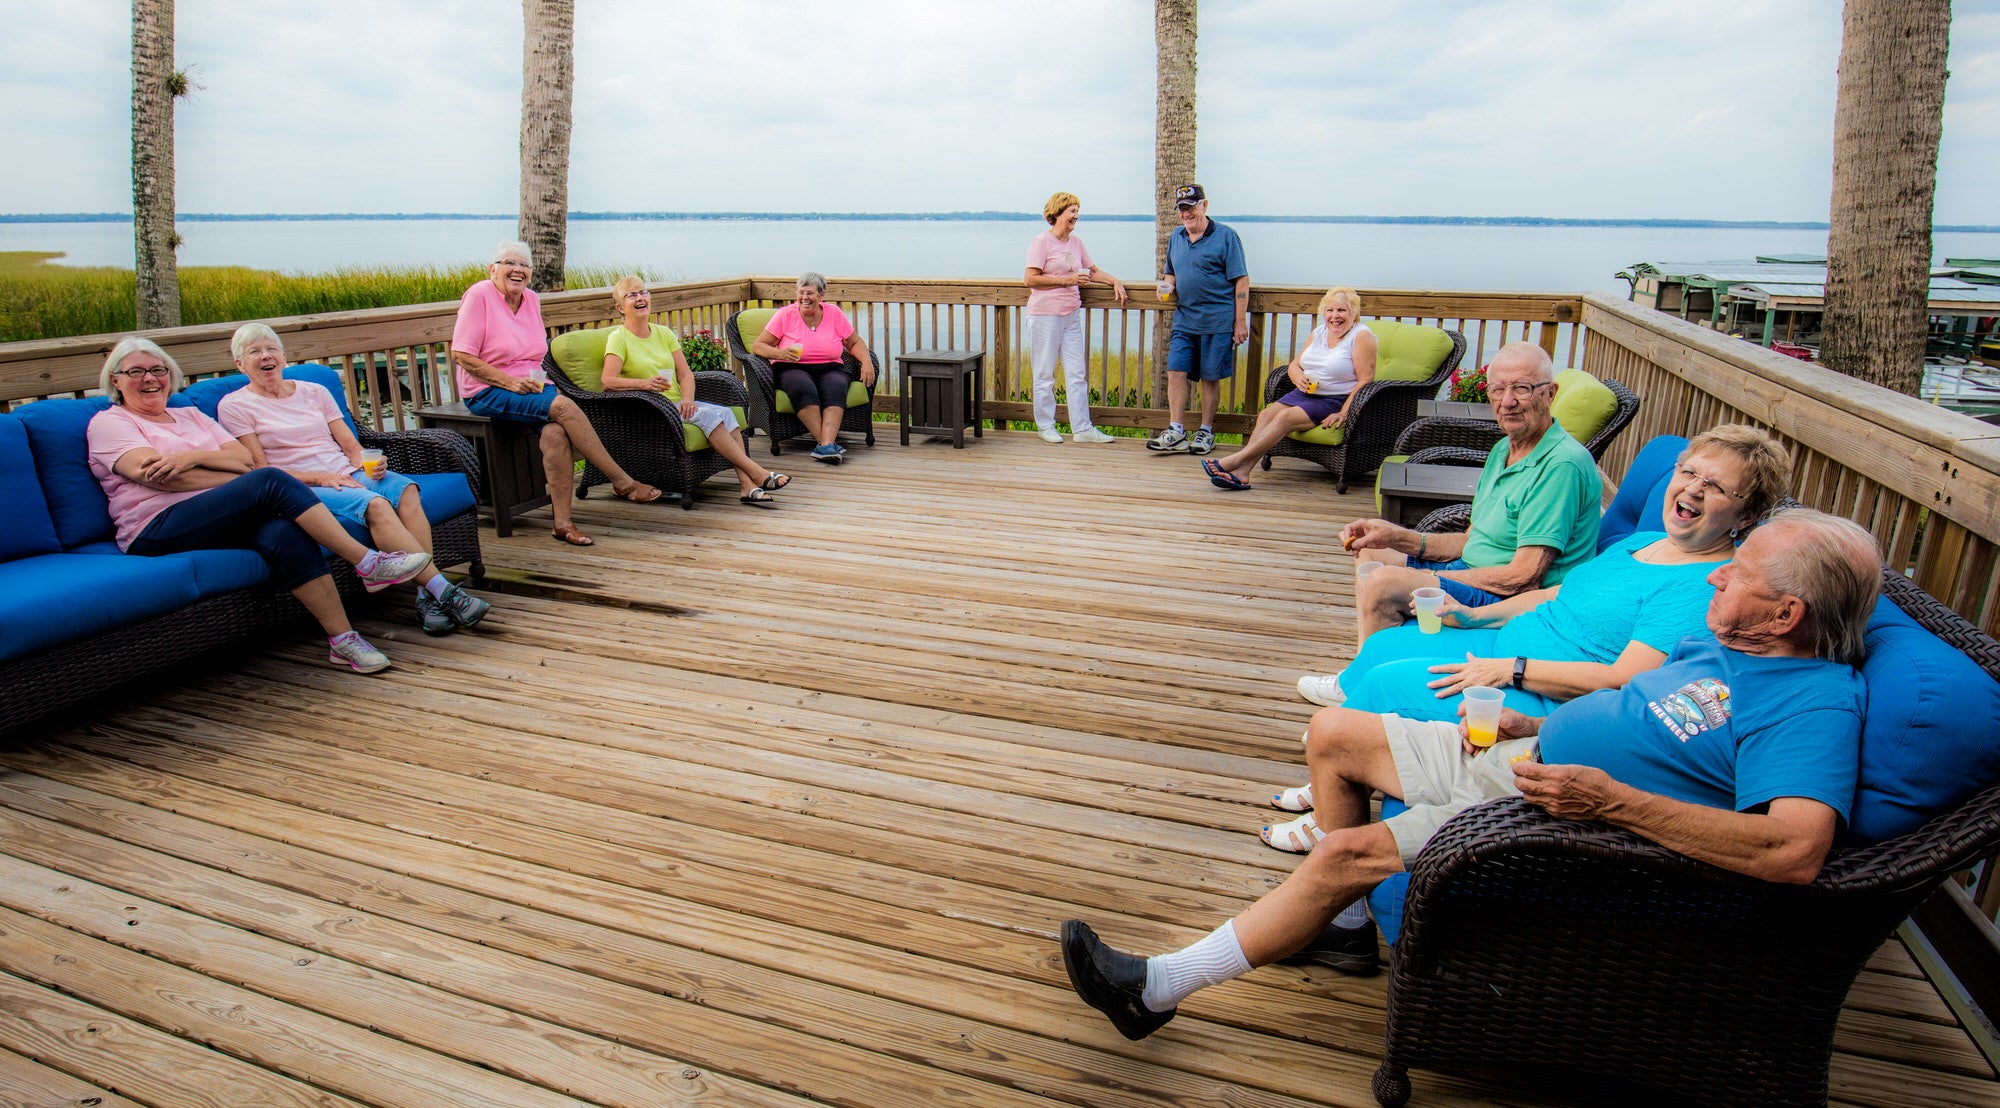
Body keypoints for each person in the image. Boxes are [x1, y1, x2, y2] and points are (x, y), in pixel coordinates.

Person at [1060, 509, 1880, 1039]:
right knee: (1333, 732)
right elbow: (1642, 720)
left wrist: (1611, 800)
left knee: (1343, 855)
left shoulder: (1811, 704)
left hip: (1568, 817)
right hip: (1527, 754)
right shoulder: (1721, 642)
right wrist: (1539, 722)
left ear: (1787, 614)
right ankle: (1343, 933)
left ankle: (1159, 989)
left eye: (1738, 575)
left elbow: (1792, 851)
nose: (1715, 573)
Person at [1269, 425, 1793, 850]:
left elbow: (1627, 678)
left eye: (1717, 487)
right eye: (1689, 472)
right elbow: (1557, 596)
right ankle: (1333, 787)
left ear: (1745, 515)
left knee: (1384, 684)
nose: (1693, 489)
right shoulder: (1646, 541)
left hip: (1544, 689)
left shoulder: (1698, 585)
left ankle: (1332, 814)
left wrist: (1512, 669)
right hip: (1510, 646)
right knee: (1385, 646)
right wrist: (1477, 618)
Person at [86, 337, 435, 674]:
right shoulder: (111, 423)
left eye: (157, 370)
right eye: (135, 372)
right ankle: (366, 562)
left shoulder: (190, 415)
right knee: (270, 479)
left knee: (284, 530)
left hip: (216, 513)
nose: (149, 379)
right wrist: (235, 478)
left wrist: (192, 457)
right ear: (115, 380)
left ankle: (343, 640)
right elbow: (160, 477)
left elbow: (241, 460)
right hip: (156, 525)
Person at [217, 324, 491, 635]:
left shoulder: (314, 392)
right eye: (255, 352)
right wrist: (321, 476)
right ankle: (444, 591)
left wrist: (370, 464)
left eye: (271, 349)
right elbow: (261, 471)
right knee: (374, 504)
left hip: (347, 472)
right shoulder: (235, 406)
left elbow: (351, 447)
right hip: (302, 487)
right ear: (240, 364)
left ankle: (424, 597)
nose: (265, 356)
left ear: (283, 356)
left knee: (407, 490)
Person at [1339, 341, 1600, 641]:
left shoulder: (1560, 466)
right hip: (1473, 571)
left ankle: (1356, 682)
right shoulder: (1504, 449)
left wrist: (1430, 578)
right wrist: (1396, 537)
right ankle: (1372, 663)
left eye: (1522, 388)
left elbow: (1524, 578)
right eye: (1498, 389)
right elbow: (1470, 540)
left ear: (1550, 393)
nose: (1508, 401)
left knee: (1383, 583)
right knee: (1371, 543)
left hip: (1512, 602)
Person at [450, 240, 663, 548]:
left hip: (531, 388)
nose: (518, 270)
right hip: (487, 390)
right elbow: (462, 355)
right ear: (493, 269)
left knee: (556, 435)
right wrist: (510, 383)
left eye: (525, 265)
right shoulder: (479, 296)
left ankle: (562, 524)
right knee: (565, 407)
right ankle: (622, 481)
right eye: (511, 263)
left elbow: (534, 354)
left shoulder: (531, 300)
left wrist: (533, 383)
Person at [599, 277, 791, 506]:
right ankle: (757, 472)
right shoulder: (618, 338)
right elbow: (607, 381)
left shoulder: (663, 333)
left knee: (727, 415)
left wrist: (688, 399)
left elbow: (685, 374)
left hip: (676, 404)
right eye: (631, 295)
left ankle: (747, 486)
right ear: (620, 307)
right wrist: (645, 384)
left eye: (643, 292)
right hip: (650, 409)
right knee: (711, 417)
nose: (640, 298)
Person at [1201, 287, 1374, 490]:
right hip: (1305, 393)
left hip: (1335, 398)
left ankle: (1232, 462)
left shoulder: (1361, 336)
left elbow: (1366, 379)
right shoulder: (1319, 332)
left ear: (1354, 313)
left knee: (1284, 418)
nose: (1335, 316)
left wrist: (1344, 412)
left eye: (1342, 310)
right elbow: (1294, 365)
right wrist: (1297, 376)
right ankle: (1242, 473)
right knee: (1266, 414)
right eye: (1330, 310)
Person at [1147, 184, 1248, 457]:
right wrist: (1165, 286)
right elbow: (1171, 273)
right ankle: (1176, 431)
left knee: (1209, 377)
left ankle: (1206, 431)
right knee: (1176, 371)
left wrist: (1240, 322)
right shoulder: (1176, 238)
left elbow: (1241, 279)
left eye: (1191, 206)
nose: (1186, 213)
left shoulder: (1226, 237)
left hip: (1217, 320)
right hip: (1184, 319)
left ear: (1204, 205)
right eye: (1182, 208)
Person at [1023, 191, 1127, 444]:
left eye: (1077, 210)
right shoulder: (1042, 242)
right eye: (1072, 210)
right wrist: (1068, 280)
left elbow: (1093, 271)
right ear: (1057, 212)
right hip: (1045, 316)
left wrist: (1115, 281)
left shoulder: (1076, 242)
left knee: (1077, 374)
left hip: (1071, 315)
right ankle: (1045, 425)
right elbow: (1030, 279)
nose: (1076, 215)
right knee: (1044, 373)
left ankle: (1082, 429)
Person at [750, 272, 878, 465]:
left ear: (821, 295)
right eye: (801, 293)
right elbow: (758, 346)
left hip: (830, 367)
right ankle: (827, 445)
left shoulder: (834, 313)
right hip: (792, 367)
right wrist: (780, 354)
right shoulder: (785, 314)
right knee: (802, 387)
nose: (804, 298)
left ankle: (825, 445)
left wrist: (867, 362)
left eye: (810, 293)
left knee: (836, 386)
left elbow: (853, 342)